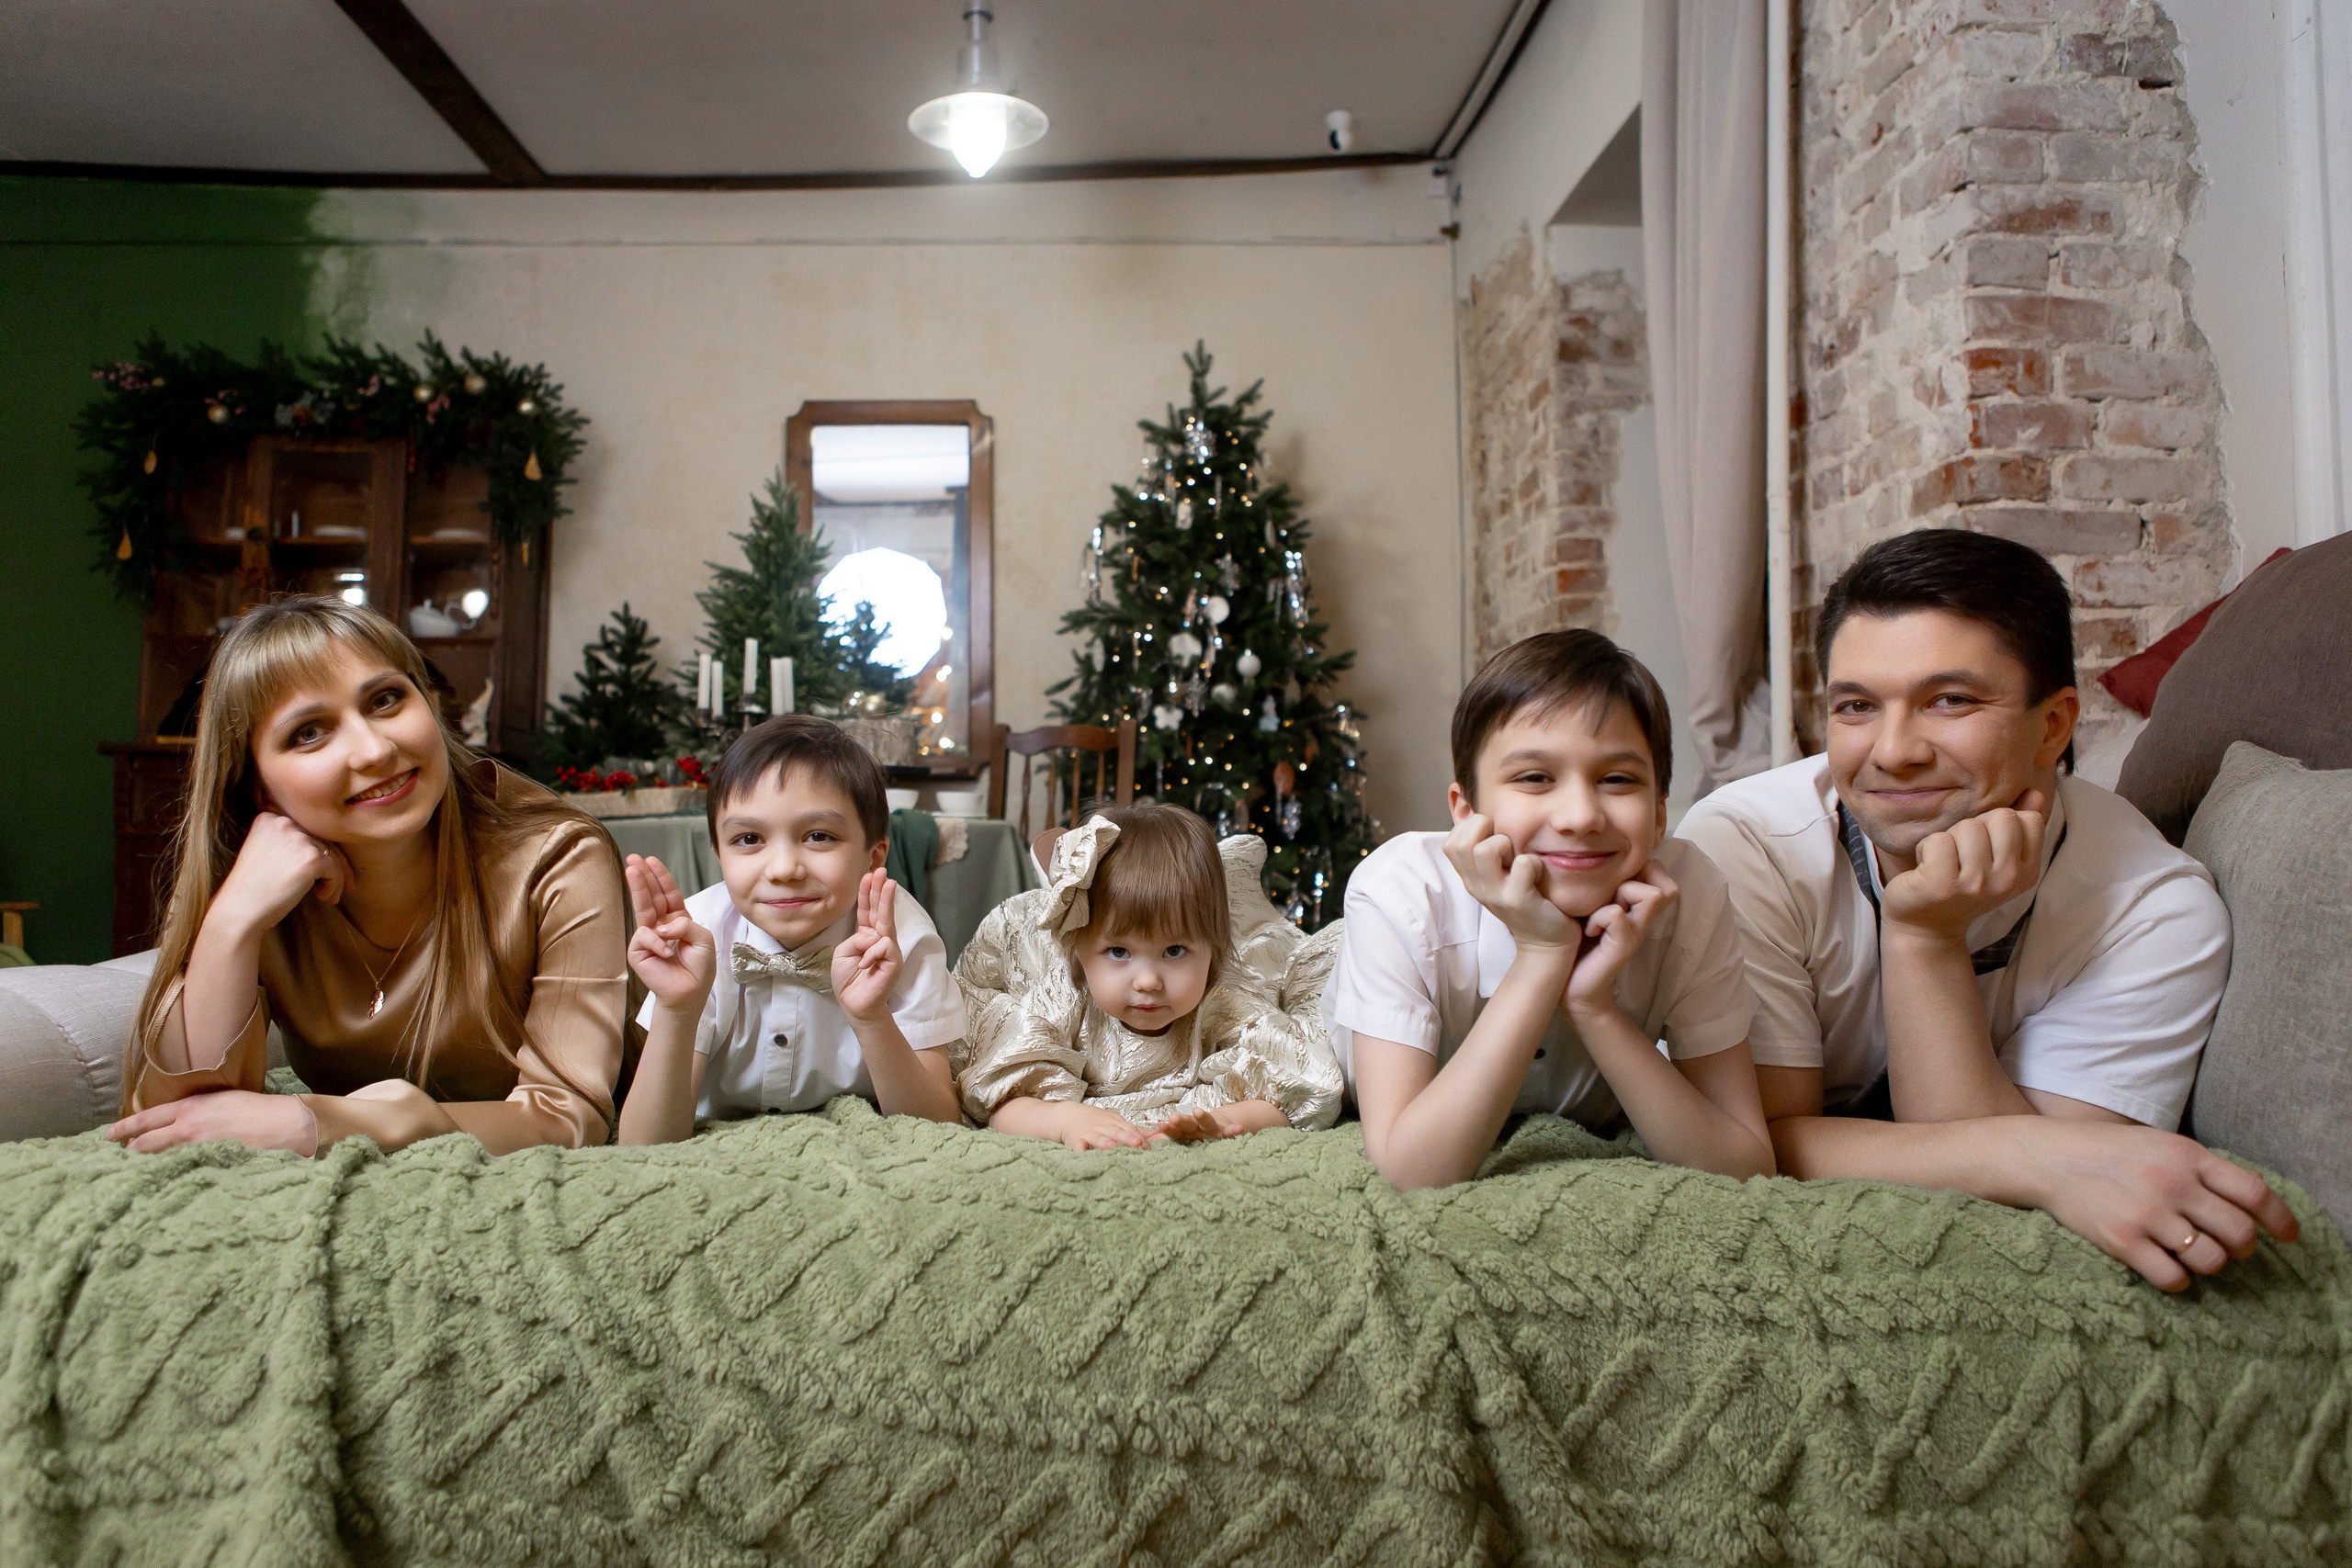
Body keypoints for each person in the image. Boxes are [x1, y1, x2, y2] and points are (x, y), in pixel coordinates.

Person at [1678, 528, 2299, 1291]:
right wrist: (2036, 1153)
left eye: (1950, 700)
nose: (1894, 750)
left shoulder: (2155, 910)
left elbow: (2017, 1209)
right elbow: (1761, 1142)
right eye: (1857, 706)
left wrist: (1924, 940)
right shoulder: (1746, 843)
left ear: (2054, 725)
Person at [107, 596, 628, 1156]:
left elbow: (571, 1117)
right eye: (309, 733)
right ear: (255, 785)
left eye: (385, 700)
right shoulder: (259, 882)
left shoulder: (557, 856)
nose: (376, 750)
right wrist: (232, 922)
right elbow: (181, 1121)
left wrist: (343, 1122)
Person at [1324, 630, 1775, 1190]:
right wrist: (1542, 955)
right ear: (1465, 812)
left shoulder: (1693, 894)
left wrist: (1595, 1007)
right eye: (1535, 778)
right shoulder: (1399, 893)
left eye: (1617, 779)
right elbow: (1410, 1170)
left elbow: (1743, 1163)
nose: (1581, 816)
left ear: (1659, 814)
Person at [617, 716, 967, 1144]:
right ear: (719, 855)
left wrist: (872, 1018)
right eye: (748, 839)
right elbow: (643, 1143)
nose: (784, 869)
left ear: (874, 856)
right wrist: (677, 1008)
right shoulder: (695, 937)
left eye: (818, 836)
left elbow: (937, 1126)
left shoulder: (903, 938)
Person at [955, 804, 1343, 1150]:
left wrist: (1229, 1120)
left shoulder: (1224, 1005)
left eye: (1174, 951)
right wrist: (1065, 1120)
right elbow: (1000, 1104)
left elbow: (1297, 1090)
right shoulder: (1062, 999)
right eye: (1119, 952)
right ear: (1080, 951)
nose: (1148, 981)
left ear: (1213, 948)